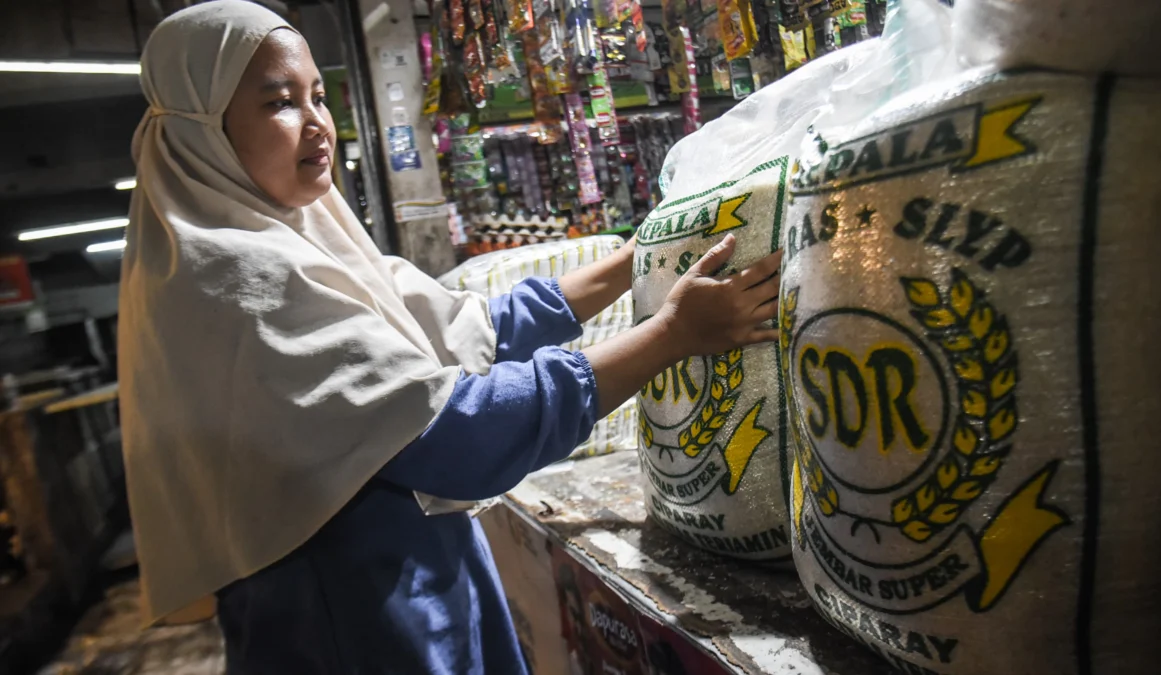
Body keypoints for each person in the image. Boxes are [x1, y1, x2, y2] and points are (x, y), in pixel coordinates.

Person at [118, 2, 781, 673]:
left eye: (318, 95)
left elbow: (469, 327)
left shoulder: (297, 239)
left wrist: (640, 254)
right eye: (280, 102)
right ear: (205, 131)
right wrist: (671, 336)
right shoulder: (240, 280)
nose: (318, 123)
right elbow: (455, 431)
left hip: (410, 583)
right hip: (348, 619)